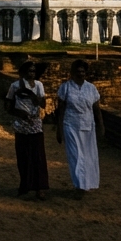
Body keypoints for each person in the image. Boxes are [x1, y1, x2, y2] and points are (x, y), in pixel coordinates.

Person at [56, 59, 104, 195]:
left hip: (88, 126)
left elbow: (96, 109)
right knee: (76, 156)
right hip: (70, 125)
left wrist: (101, 126)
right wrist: (59, 129)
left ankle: (86, 183)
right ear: (72, 73)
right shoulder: (66, 88)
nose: (80, 74)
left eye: (83, 72)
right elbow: (61, 110)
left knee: (88, 156)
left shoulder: (91, 89)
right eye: (77, 72)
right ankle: (79, 185)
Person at [6, 60, 49, 198]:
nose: (31, 74)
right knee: (23, 157)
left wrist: (31, 95)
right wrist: (19, 113)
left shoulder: (39, 86)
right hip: (21, 125)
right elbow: (8, 106)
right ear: (23, 73)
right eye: (29, 71)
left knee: (38, 157)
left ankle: (40, 188)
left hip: (35, 124)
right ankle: (25, 185)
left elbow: (42, 104)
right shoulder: (14, 86)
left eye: (33, 71)